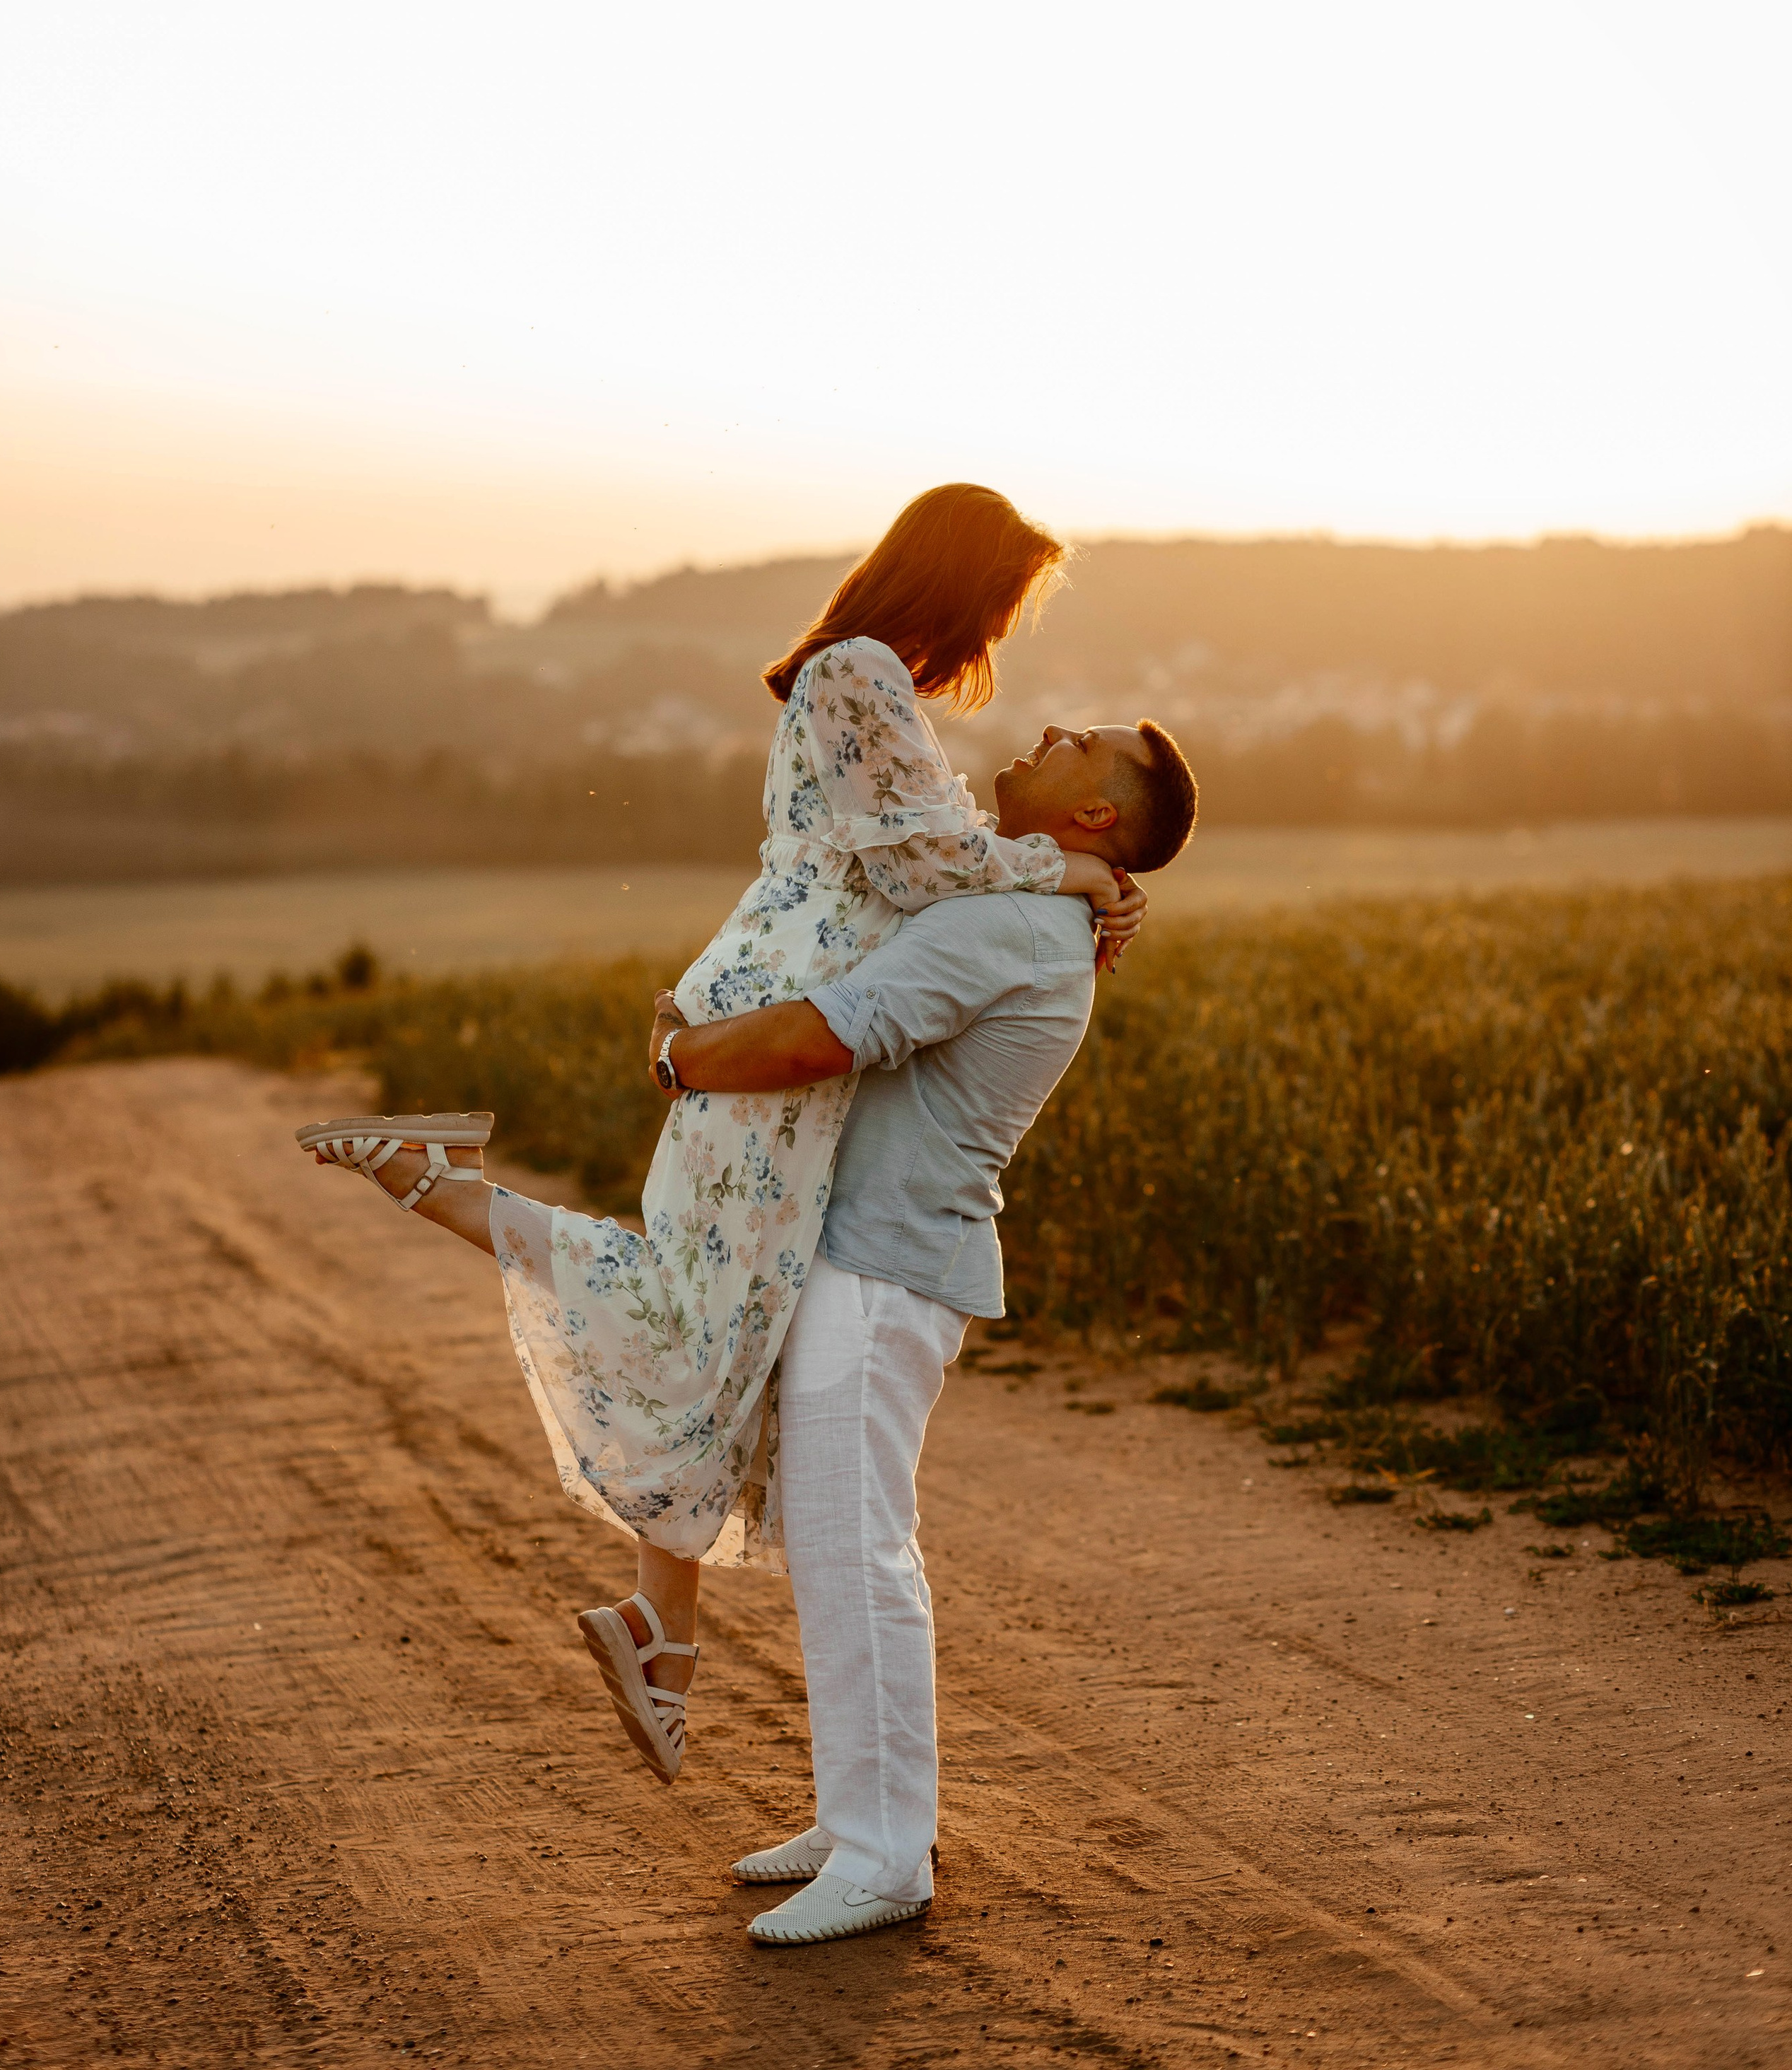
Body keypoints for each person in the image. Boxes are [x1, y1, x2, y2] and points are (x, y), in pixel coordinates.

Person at [297, 484, 1146, 1774]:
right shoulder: (859, 670)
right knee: (704, 1308)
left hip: (779, 1001)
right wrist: (1071, 870)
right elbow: (922, 869)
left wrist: (1071, 881)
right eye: (1004, 602)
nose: (1002, 635)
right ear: (957, 579)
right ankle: (436, 1186)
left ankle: (660, 1627)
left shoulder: (867, 685)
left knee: (719, 1309)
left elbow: (934, 852)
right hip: (782, 1023)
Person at [643, 711, 1198, 1945]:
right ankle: (857, 1821)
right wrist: (1093, 883)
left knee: (860, 1552)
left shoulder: (1008, 924)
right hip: (869, 1261)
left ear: (1097, 814)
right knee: (836, 1546)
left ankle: (890, 1855)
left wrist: (679, 1060)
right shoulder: (1027, 901)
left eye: (1080, 739)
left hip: (884, 1270)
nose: (1047, 729)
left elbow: (823, 1035)